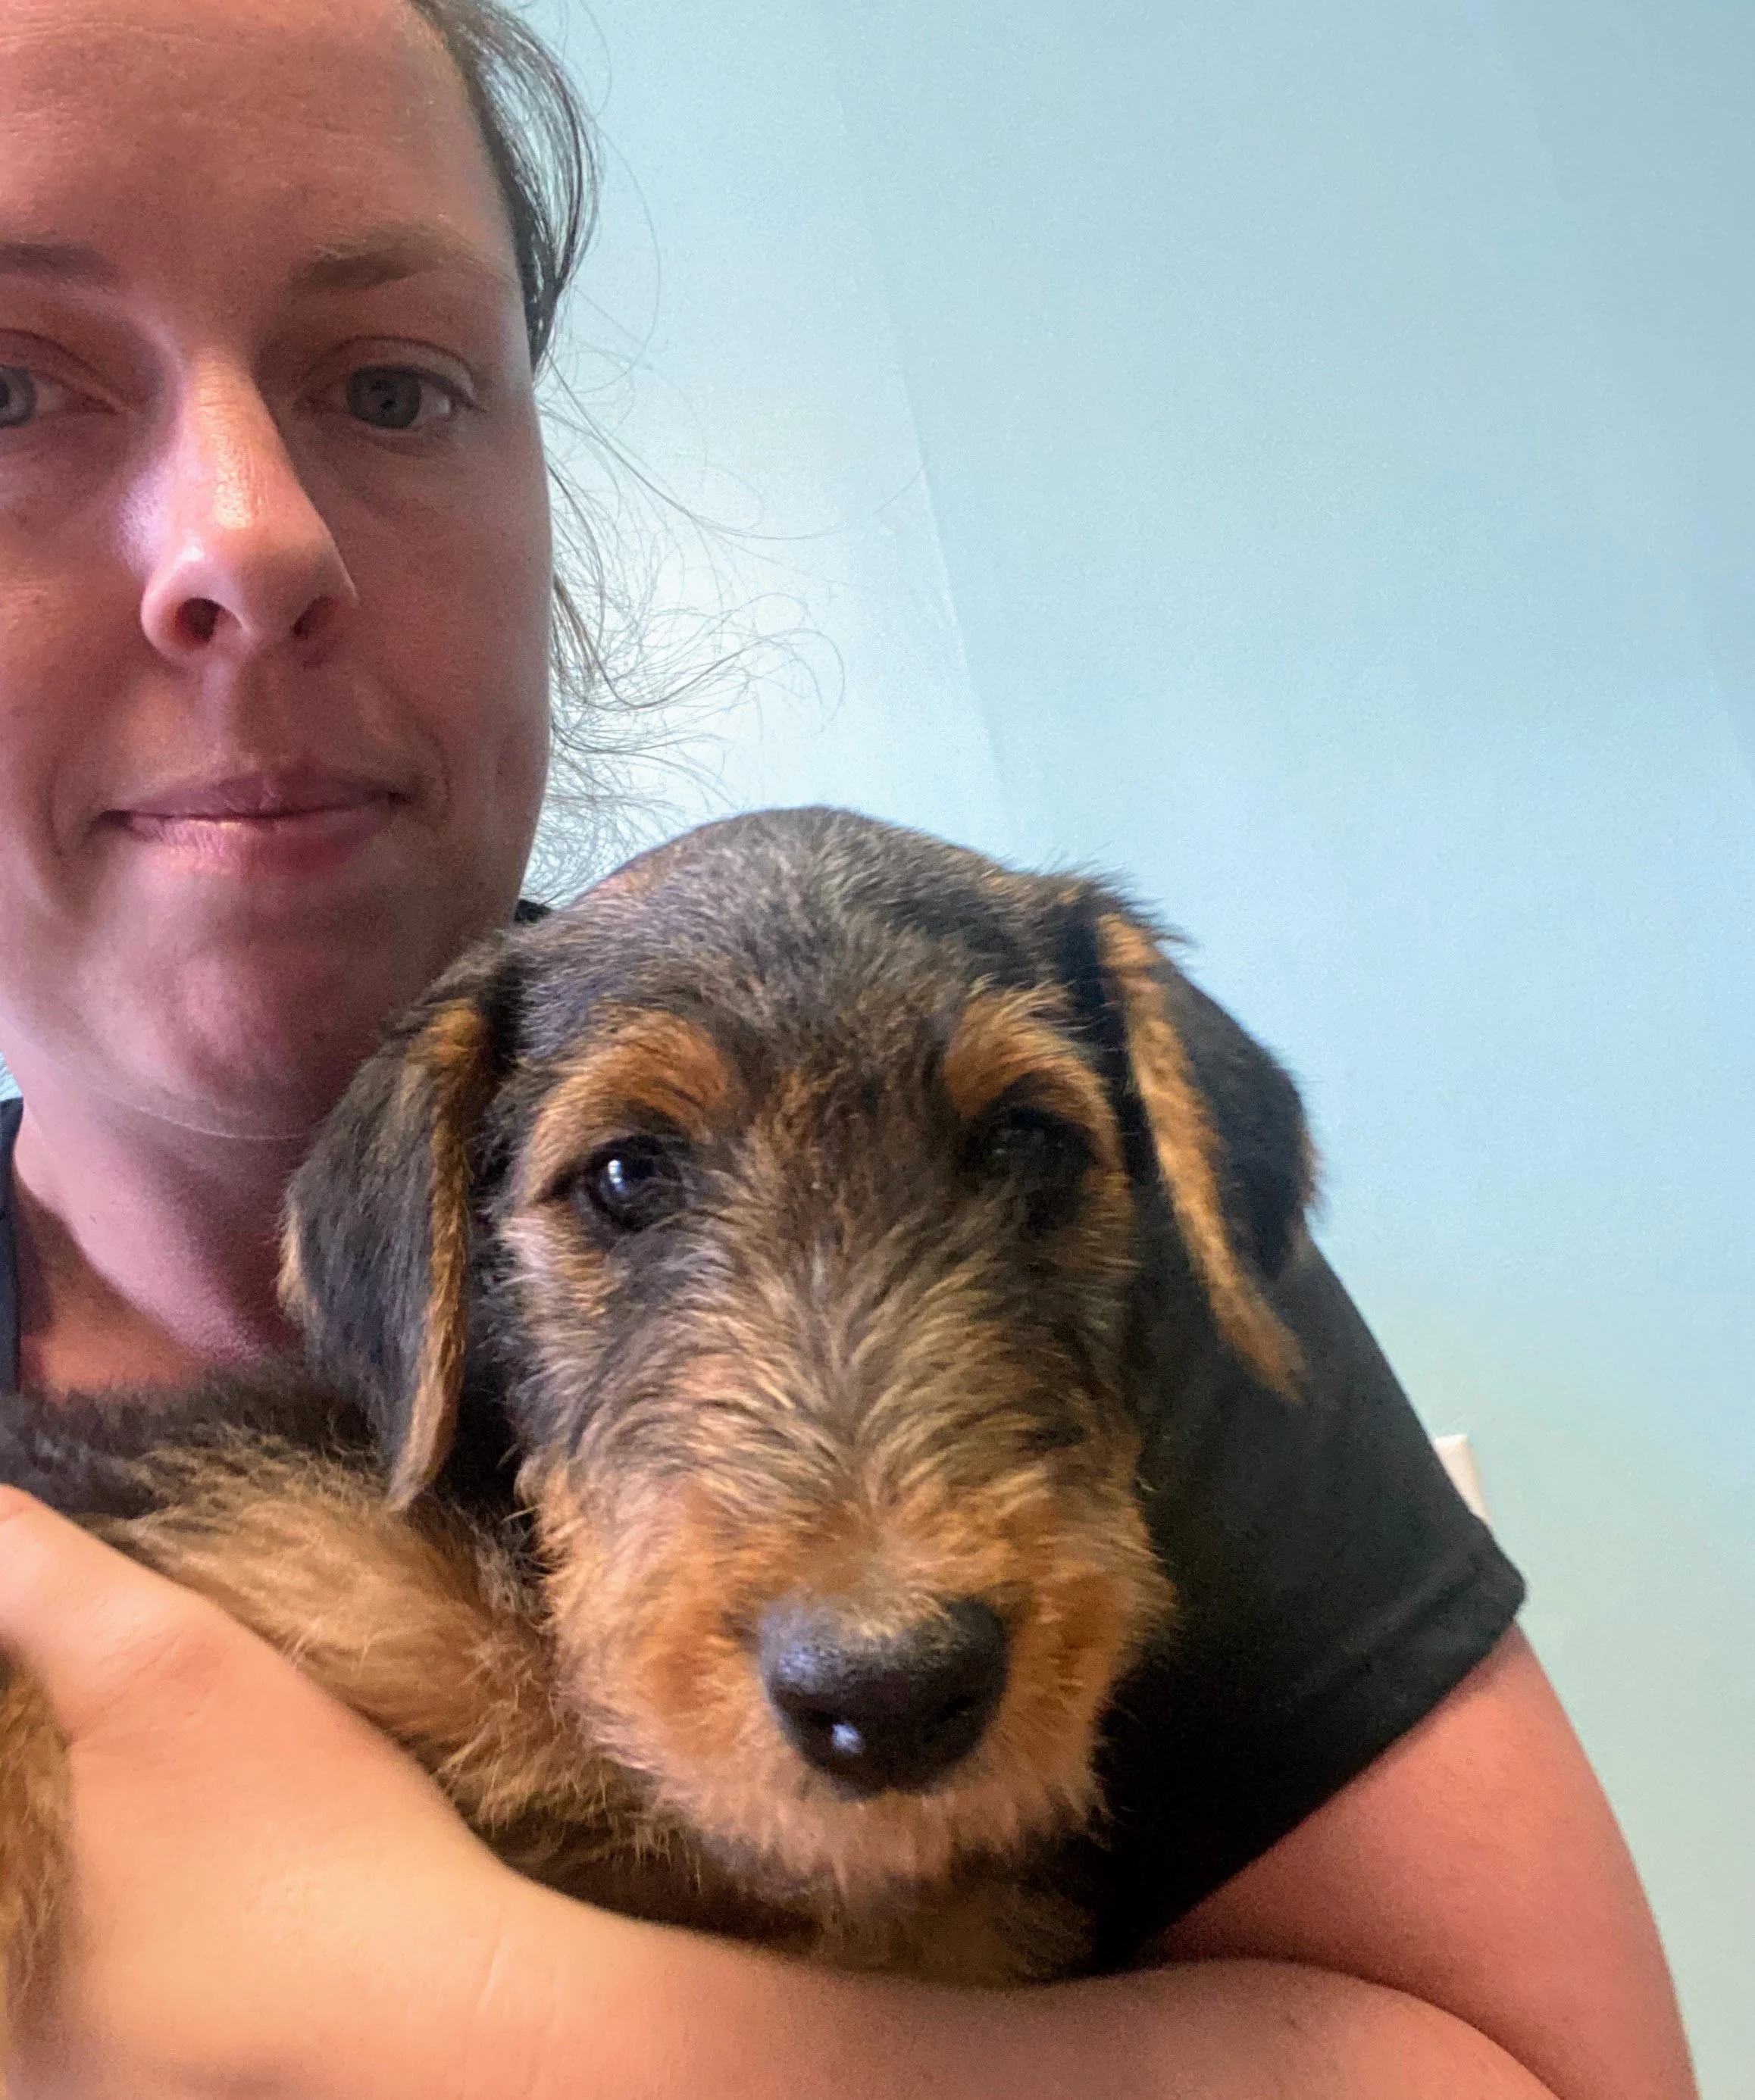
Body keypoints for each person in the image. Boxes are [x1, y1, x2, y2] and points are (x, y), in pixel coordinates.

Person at [0, 0, 1697, 2093]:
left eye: (392, 383)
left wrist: (442, 1994)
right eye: (6, 386)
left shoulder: (1149, 1242)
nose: (245, 543)